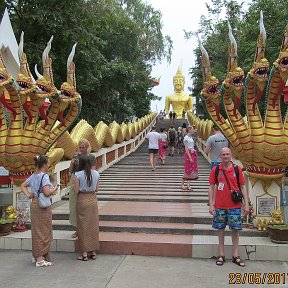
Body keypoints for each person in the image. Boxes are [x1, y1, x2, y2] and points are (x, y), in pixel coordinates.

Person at [208, 147, 249, 267]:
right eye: (223, 154)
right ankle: (221, 254)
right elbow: (211, 188)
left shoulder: (237, 169)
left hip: (235, 206)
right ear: (220, 156)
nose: (225, 156)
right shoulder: (216, 170)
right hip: (220, 206)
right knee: (221, 230)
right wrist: (211, 205)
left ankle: (235, 255)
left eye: (227, 154)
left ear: (231, 155)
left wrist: (246, 204)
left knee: (235, 231)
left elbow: (243, 187)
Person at [21, 155, 59, 267]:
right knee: (44, 231)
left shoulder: (33, 176)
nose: (48, 165)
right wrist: (55, 189)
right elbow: (47, 192)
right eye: (47, 163)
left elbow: (23, 185)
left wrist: (29, 194)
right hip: (43, 206)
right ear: (43, 164)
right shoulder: (44, 176)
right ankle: (40, 258)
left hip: (34, 203)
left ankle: (37, 255)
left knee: (37, 231)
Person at [74, 155, 100, 261]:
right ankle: (93, 252)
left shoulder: (78, 175)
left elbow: (76, 191)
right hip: (93, 199)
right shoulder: (96, 174)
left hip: (82, 200)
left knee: (83, 226)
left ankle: (84, 253)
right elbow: (97, 189)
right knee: (93, 225)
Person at [69, 139, 96, 238]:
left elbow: (93, 171)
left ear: (87, 147)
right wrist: (72, 163)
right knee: (74, 206)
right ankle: (77, 229)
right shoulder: (76, 156)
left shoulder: (91, 157)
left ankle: (87, 230)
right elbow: (70, 171)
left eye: (83, 147)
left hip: (85, 180)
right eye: (80, 147)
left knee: (85, 208)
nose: (81, 149)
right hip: (75, 180)